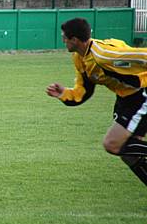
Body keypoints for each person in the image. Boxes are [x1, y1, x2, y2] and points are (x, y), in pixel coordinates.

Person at [46, 17, 147, 187]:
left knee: (112, 144)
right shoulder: (80, 58)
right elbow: (84, 90)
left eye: (64, 38)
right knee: (129, 154)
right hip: (126, 99)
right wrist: (64, 94)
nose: (63, 41)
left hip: (141, 95)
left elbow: (142, 56)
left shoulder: (102, 54)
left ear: (75, 40)